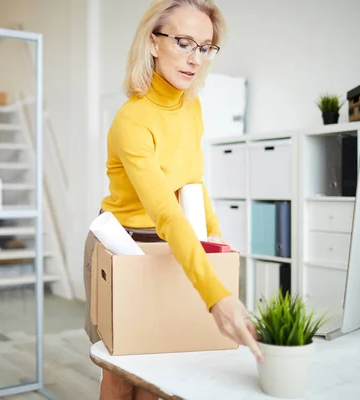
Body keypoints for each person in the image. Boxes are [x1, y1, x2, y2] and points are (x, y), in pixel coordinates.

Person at [83, 0, 264, 398]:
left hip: (168, 246)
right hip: (121, 247)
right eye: (183, 42)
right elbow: (165, 210)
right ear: (153, 42)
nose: (195, 58)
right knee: (121, 368)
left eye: (205, 47)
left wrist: (220, 252)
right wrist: (216, 297)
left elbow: (192, 186)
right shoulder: (133, 120)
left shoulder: (191, 107)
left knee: (160, 369)